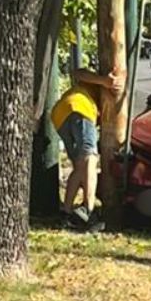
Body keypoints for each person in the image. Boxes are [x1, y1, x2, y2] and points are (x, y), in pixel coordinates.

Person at [51, 65, 122, 230]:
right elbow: (78, 72)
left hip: (60, 115)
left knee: (80, 166)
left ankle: (66, 213)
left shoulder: (93, 89)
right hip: (80, 108)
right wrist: (105, 81)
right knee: (90, 158)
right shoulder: (98, 83)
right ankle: (88, 211)